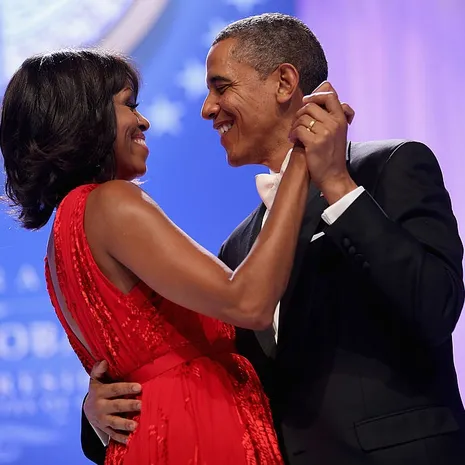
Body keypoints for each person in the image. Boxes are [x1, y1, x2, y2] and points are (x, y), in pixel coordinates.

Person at [80, 13, 465, 465]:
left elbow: (436, 307)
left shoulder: (389, 167)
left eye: (222, 87)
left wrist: (338, 185)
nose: (207, 108)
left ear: (284, 83)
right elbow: (197, 368)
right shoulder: (240, 248)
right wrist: (97, 415)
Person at [0, 48, 354, 464]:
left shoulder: (64, 236)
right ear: (84, 118)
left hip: (155, 437)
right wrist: (300, 158)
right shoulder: (109, 203)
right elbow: (248, 302)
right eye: (129, 105)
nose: (143, 121)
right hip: (194, 432)